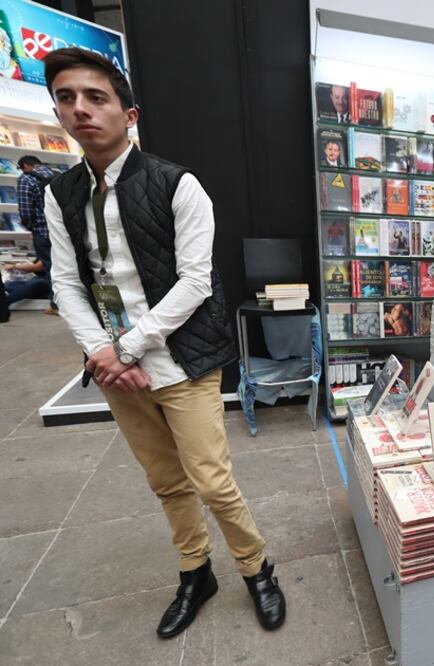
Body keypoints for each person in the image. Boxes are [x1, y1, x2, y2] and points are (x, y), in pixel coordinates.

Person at [41, 48, 285, 638]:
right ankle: (195, 573)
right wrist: (103, 352)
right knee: (166, 482)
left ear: (129, 115)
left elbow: (196, 282)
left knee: (212, 480)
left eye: (95, 97)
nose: (80, 109)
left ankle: (256, 569)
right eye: (67, 99)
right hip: (115, 367)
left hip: (182, 361)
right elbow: (66, 283)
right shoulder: (60, 193)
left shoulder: (177, 184)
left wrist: (125, 348)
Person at [16, 155, 58, 313]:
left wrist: (31, 227)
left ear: (26, 165)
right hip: (63, 230)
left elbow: (26, 211)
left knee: (50, 267)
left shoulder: (26, 179)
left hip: (43, 231)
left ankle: (56, 305)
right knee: (68, 267)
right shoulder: (58, 173)